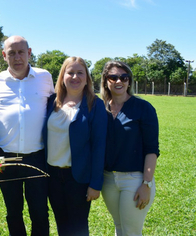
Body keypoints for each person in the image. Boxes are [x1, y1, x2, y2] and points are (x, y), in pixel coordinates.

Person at [0, 35, 54, 236]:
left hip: (37, 157)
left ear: (29, 53)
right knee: (13, 212)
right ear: (3, 55)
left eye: (21, 52)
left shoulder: (45, 77)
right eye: (12, 53)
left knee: (40, 212)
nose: (17, 57)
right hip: (6, 159)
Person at [42, 57, 107, 235]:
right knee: (61, 224)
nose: (75, 77)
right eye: (70, 72)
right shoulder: (51, 102)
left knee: (78, 227)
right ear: (63, 76)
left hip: (78, 178)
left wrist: (96, 184)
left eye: (80, 73)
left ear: (87, 78)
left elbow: (99, 146)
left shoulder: (95, 105)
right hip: (52, 176)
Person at [100, 61, 159, 236]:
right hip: (108, 180)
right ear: (106, 81)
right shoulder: (100, 108)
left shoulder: (143, 108)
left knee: (131, 232)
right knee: (119, 227)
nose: (119, 81)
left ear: (129, 81)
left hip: (135, 180)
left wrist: (146, 184)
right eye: (114, 77)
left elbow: (152, 149)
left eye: (124, 77)